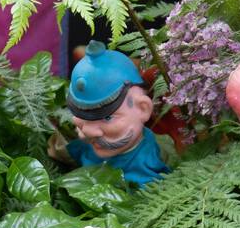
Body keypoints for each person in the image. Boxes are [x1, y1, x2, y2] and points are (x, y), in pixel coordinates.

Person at [61, 42, 169, 187]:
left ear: (143, 109)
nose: (88, 130)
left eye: (107, 117)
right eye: (83, 116)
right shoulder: (92, 146)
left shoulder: (146, 168)